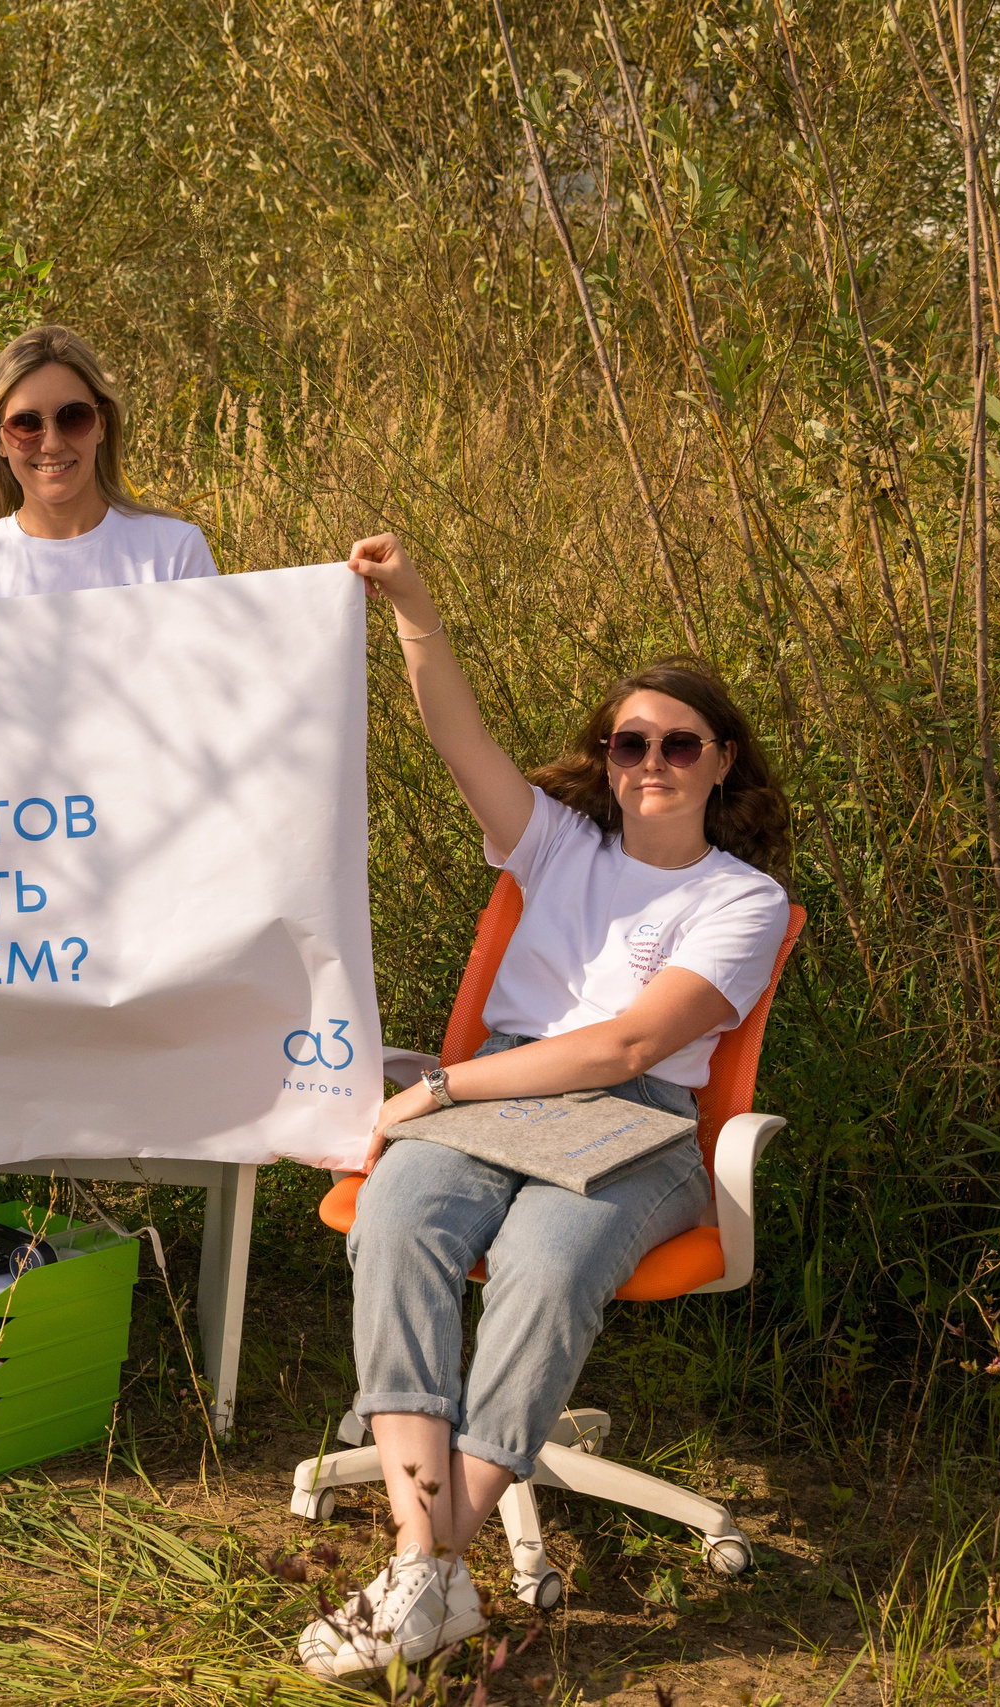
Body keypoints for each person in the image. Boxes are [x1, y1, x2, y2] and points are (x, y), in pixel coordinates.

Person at [300, 533, 792, 1679]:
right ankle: (429, 1572)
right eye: (631, 742)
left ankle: (424, 1571)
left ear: (721, 763)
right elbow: (453, 734)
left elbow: (628, 1042)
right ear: (606, 758)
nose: (651, 760)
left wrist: (441, 1087)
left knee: (543, 1265)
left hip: (642, 1116)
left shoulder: (743, 898)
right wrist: (413, 609)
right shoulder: (553, 841)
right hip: (503, 1096)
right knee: (398, 1219)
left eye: (679, 743)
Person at [0, 324, 217, 604]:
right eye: (24, 424)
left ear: (102, 424)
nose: (51, 444)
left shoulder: (176, 553)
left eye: (73, 417)